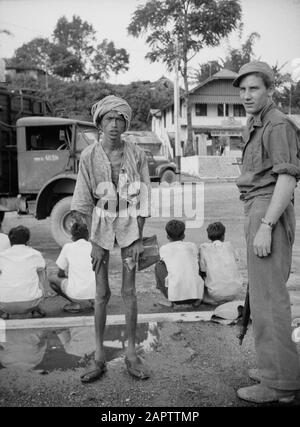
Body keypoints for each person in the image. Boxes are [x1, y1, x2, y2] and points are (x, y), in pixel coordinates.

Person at [71, 94, 151, 383]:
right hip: (101, 225)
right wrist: (93, 241)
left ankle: (131, 354)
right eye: (109, 119)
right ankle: (98, 357)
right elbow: (81, 200)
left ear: (126, 123)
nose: (114, 124)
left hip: (130, 224)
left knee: (129, 292)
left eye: (119, 119)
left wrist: (140, 237)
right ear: (100, 123)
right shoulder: (89, 156)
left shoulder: (137, 154)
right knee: (101, 293)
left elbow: (143, 197)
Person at [233, 60, 300, 403]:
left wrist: (267, 225)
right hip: (257, 206)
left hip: (267, 209)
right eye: (242, 89)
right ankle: (277, 369)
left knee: (270, 300)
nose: (246, 95)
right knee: (262, 297)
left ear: (269, 89)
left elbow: (287, 178)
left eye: (253, 88)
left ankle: (281, 385)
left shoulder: (277, 125)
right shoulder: (257, 123)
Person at [48, 222, 95, 313]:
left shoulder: (68, 247)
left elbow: (60, 273)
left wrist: (69, 276)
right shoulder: (94, 247)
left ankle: (75, 303)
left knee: (52, 278)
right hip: (97, 292)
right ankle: (94, 301)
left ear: (72, 235)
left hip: (76, 293)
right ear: (88, 235)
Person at [155, 219, 204, 308]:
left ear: (167, 236)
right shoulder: (192, 245)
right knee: (195, 262)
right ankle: (197, 298)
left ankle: (169, 298)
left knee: (159, 265)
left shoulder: (164, 249)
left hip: (175, 298)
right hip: (196, 296)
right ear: (184, 235)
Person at [0, 225, 46, 319]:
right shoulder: (35, 254)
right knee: (41, 270)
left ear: (10, 242)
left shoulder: (2, 256)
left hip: (4, 303)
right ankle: (35, 309)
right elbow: (42, 269)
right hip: (31, 302)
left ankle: (4, 312)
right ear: (28, 242)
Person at [199, 222, 243, 305]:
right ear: (223, 235)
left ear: (209, 236)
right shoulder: (230, 245)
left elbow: (202, 270)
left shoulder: (203, 248)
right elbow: (236, 262)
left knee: (201, 271)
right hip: (235, 292)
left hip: (215, 294)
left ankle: (208, 297)